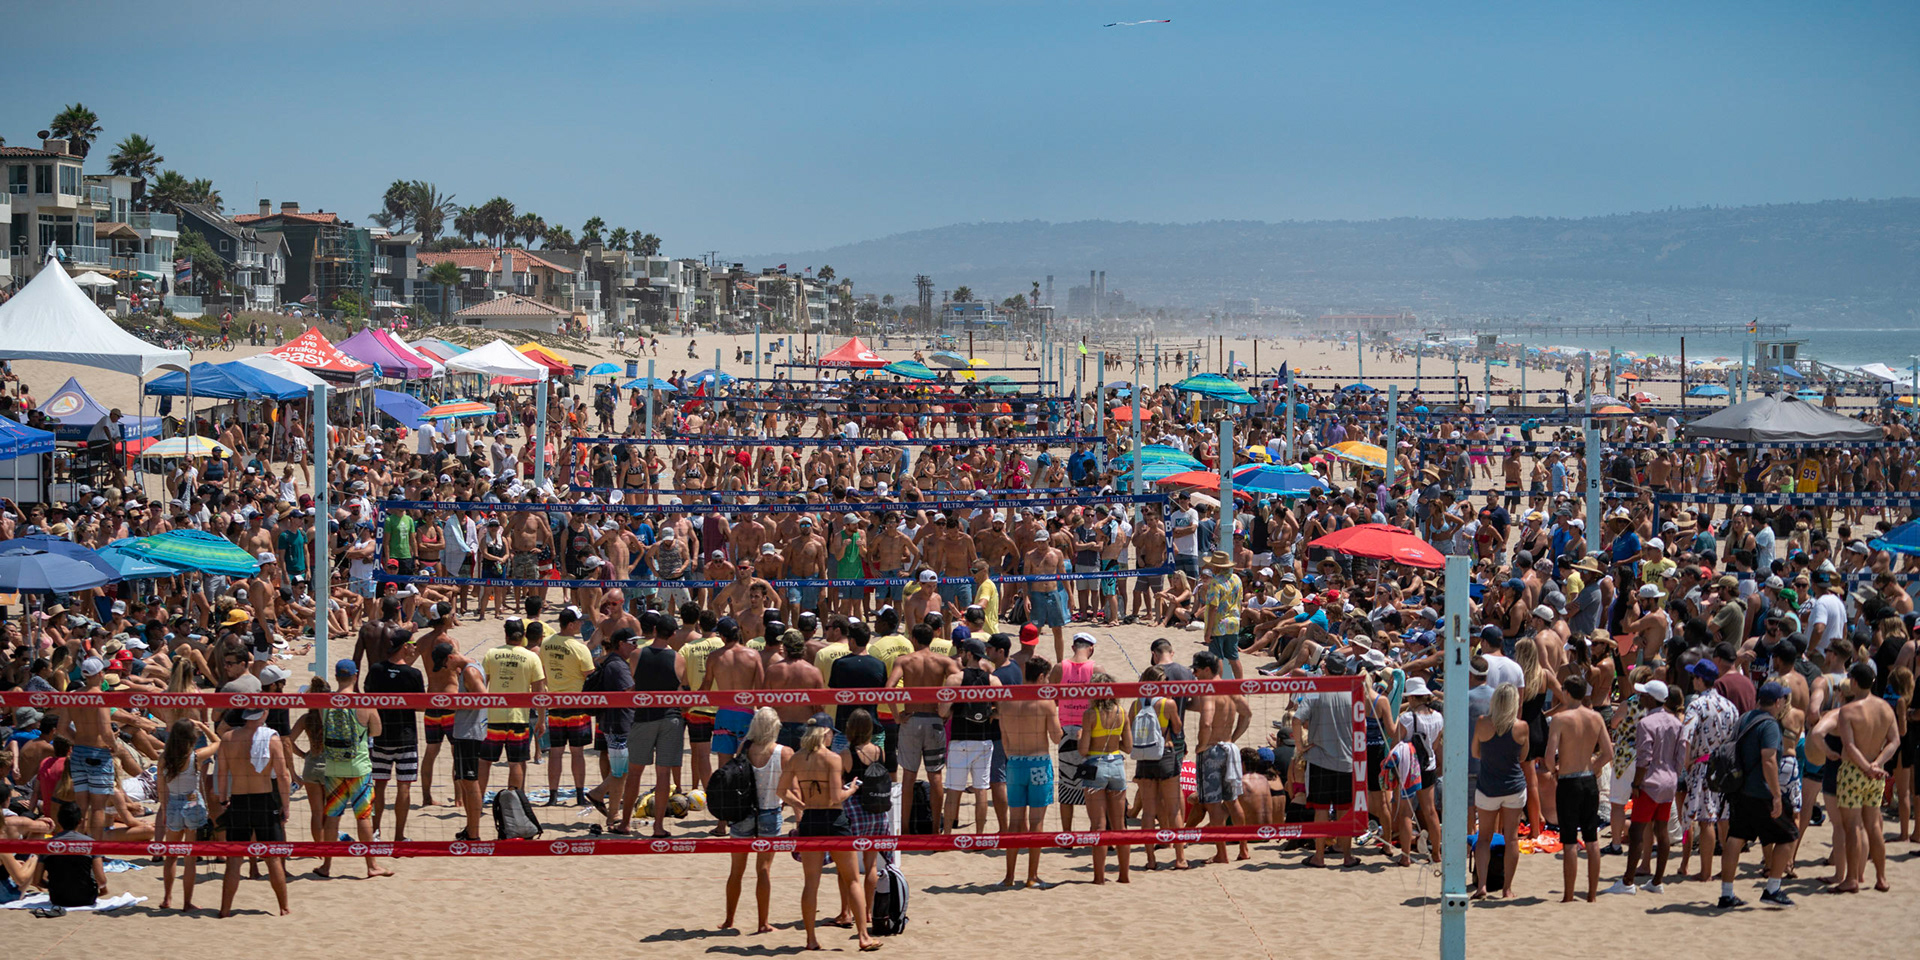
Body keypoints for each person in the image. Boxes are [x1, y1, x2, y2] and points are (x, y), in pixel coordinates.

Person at [777, 715, 876, 952]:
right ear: (824, 733)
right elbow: (835, 797)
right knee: (852, 879)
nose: (833, 735)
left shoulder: (797, 758)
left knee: (811, 882)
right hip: (834, 821)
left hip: (811, 820)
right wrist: (851, 789)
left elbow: (781, 791)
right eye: (831, 732)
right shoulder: (832, 758)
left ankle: (811, 939)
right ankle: (863, 937)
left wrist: (801, 805)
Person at [1718, 682, 1797, 908]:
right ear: (1778, 702)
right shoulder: (1770, 725)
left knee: (1736, 837)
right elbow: (1769, 760)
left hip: (1739, 789)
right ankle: (1772, 889)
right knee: (1788, 835)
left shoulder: (1744, 718)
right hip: (1760, 791)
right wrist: (1776, 795)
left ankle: (1726, 894)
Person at [213, 708, 292, 917]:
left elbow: (222, 773)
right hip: (264, 800)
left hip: (239, 801)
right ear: (263, 714)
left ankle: (225, 909)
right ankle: (284, 908)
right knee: (273, 858)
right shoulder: (271, 739)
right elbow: (283, 775)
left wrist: (223, 799)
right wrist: (286, 805)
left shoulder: (228, 738)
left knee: (234, 859)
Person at [318, 659, 391, 880]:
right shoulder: (364, 702)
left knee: (332, 818)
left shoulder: (326, 703)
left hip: (333, 767)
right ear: (355, 676)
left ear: (337, 676)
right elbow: (376, 731)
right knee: (363, 817)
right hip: (358, 767)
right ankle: (371, 866)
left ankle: (327, 865)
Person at [1544, 673, 1613, 902]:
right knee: (1592, 838)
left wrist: (1554, 770)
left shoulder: (1561, 719)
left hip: (1568, 781)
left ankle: (1569, 894)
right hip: (1588, 779)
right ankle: (1592, 894)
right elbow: (1607, 753)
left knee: (1570, 840)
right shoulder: (1595, 717)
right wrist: (1593, 766)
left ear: (1566, 692)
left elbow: (1548, 756)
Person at [721, 708, 789, 935]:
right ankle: (763, 923)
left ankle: (729, 920)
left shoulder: (744, 747)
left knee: (736, 871)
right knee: (764, 870)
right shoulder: (784, 752)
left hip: (743, 813)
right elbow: (791, 788)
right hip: (770, 812)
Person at [1832, 660, 1898, 893]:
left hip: (1854, 771)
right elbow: (1894, 741)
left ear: (1853, 682)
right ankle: (1881, 877)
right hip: (1876, 773)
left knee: (1852, 827)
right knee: (1874, 826)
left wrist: (1865, 766)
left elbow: (1849, 746)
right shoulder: (1885, 708)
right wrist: (1877, 764)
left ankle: (1851, 878)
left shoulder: (1848, 710)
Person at [1613, 680, 1683, 894]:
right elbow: (1680, 757)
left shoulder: (1646, 723)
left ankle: (1627, 881)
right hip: (1669, 781)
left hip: (1650, 782)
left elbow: (1644, 758)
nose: (1639, 698)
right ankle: (1657, 881)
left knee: (1637, 832)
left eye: (1643, 695)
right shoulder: (1676, 723)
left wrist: (1636, 783)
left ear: (1651, 699)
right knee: (1662, 831)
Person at [996, 657, 1061, 887]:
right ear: (1042, 677)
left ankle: (1009, 876)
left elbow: (1004, 739)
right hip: (1038, 763)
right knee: (1036, 823)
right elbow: (1056, 737)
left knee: (1014, 824)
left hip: (1014, 763)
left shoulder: (1007, 702)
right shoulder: (1045, 702)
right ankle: (1032, 876)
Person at [365, 630, 424, 842]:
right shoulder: (413, 674)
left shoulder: (376, 669)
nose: (415, 648)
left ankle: (375, 832)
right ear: (404, 646)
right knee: (404, 786)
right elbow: (422, 706)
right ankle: (399, 835)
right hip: (405, 737)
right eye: (412, 644)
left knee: (379, 785)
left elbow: (367, 700)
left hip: (380, 736)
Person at [478, 619, 546, 799]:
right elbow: (539, 693)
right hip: (519, 717)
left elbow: (481, 685)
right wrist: (541, 720)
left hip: (493, 717)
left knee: (484, 761)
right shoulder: (532, 657)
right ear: (523, 635)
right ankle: (514, 801)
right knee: (516, 762)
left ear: (506, 634)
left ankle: (477, 798)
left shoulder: (492, 654)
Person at [1473, 683, 1527, 899]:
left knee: (1484, 837)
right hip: (1513, 786)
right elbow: (1523, 757)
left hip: (1488, 786)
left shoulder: (1483, 723)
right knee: (1512, 838)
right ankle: (1507, 888)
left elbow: (1476, 752)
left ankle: (1482, 886)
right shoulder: (1522, 726)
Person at [1078, 672, 1133, 883]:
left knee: (1098, 826)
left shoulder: (1090, 714)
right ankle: (1124, 876)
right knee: (1120, 825)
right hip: (1117, 765)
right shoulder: (1122, 712)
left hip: (1095, 766)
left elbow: (1083, 751)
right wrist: (1112, 745)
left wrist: (1082, 738)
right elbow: (1128, 747)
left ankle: (1099, 877)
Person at [1200, 550, 1244, 680]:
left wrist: (1208, 632)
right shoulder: (1237, 579)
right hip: (1234, 621)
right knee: (1234, 657)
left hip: (1219, 623)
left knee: (1216, 657)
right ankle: (1240, 686)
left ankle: (1218, 686)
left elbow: (1214, 607)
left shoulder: (1215, 582)